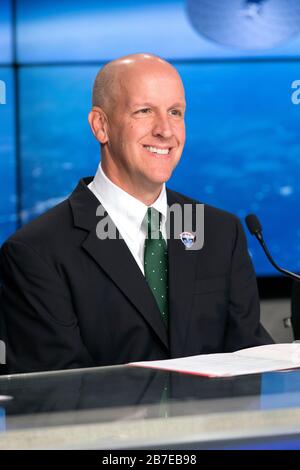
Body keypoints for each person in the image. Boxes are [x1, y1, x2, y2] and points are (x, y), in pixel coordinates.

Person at [0, 54, 272, 374]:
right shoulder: (36, 252)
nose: (165, 131)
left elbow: (249, 365)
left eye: (175, 112)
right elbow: (53, 396)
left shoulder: (220, 232)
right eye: (144, 111)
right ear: (101, 126)